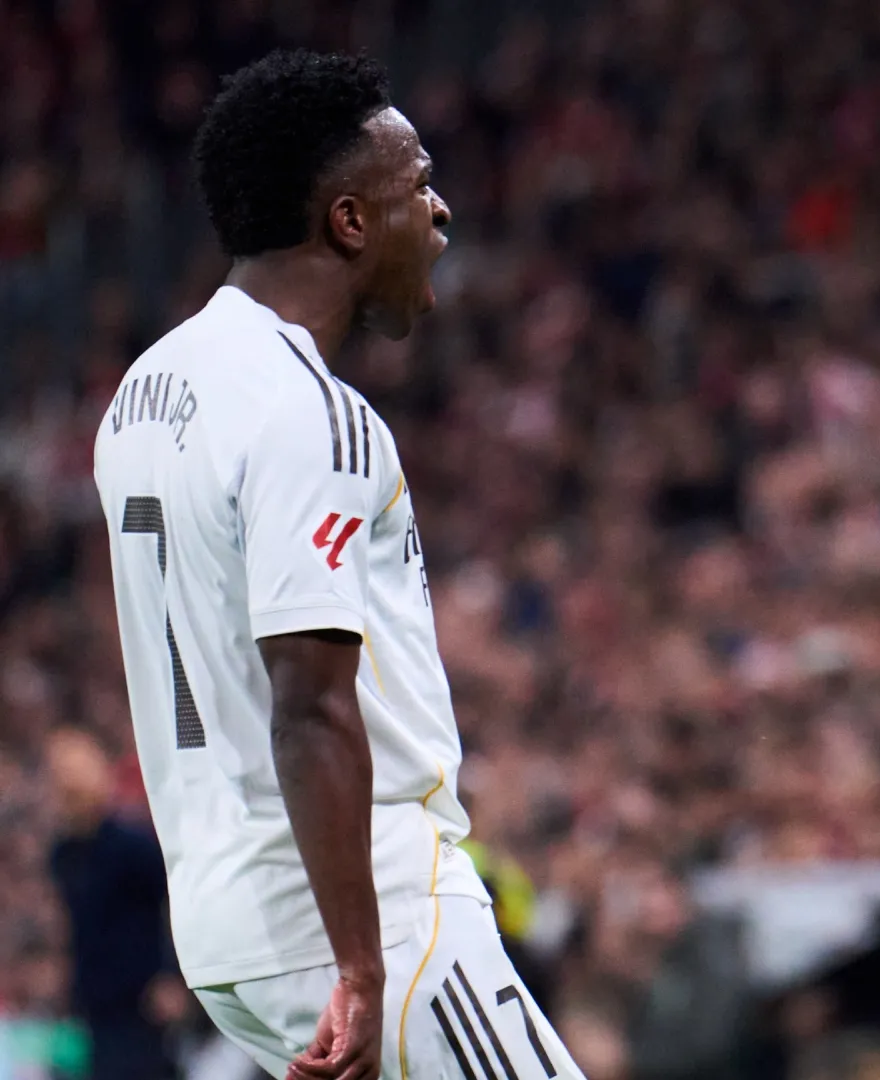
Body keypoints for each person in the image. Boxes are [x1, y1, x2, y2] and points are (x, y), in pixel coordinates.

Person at [93, 50, 584, 1080]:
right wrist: (361, 963)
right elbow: (309, 703)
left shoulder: (144, 391)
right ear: (350, 221)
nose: (440, 212)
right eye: (419, 185)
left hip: (226, 927)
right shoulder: (309, 412)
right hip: (366, 914)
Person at [45, 728, 186, 1080]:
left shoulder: (132, 846)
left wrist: (173, 975)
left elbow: (173, 903)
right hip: (94, 1004)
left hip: (144, 1001)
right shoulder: (62, 855)